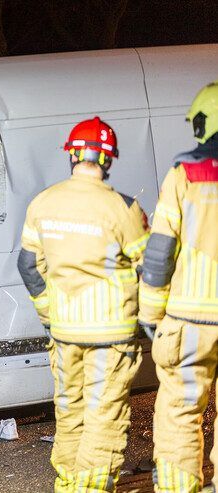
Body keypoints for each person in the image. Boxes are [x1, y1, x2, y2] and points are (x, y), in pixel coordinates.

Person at [17, 117, 149, 492]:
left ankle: (69, 485)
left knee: (70, 413)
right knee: (103, 417)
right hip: (111, 332)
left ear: (72, 155)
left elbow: (28, 266)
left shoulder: (42, 203)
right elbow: (150, 268)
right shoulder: (122, 207)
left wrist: (48, 314)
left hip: (64, 332)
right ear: (108, 159)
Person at [139, 81, 218, 492]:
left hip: (189, 321)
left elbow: (159, 254)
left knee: (180, 413)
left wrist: (151, 315)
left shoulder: (184, 174)